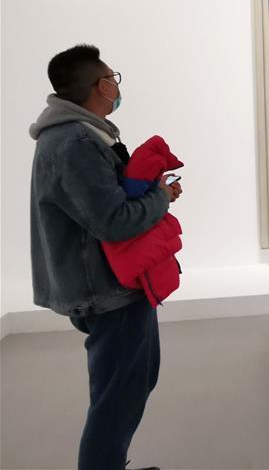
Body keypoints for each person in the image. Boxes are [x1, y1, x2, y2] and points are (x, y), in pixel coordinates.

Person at [29, 44, 182, 470]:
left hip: (108, 284)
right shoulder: (76, 143)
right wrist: (159, 197)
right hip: (107, 289)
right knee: (118, 397)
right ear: (102, 85)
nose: (117, 85)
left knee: (128, 385)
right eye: (114, 78)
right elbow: (114, 221)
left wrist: (152, 194)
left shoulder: (79, 135)